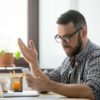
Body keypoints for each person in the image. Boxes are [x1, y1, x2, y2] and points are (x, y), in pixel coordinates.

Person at [18, 10, 100, 100]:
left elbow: (92, 90)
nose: (63, 43)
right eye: (60, 37)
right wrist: (33, 62)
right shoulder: (68, 61)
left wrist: (49, 85)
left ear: (84, 32)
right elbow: (44, 83)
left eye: (67, 37)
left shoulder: (96, 56)